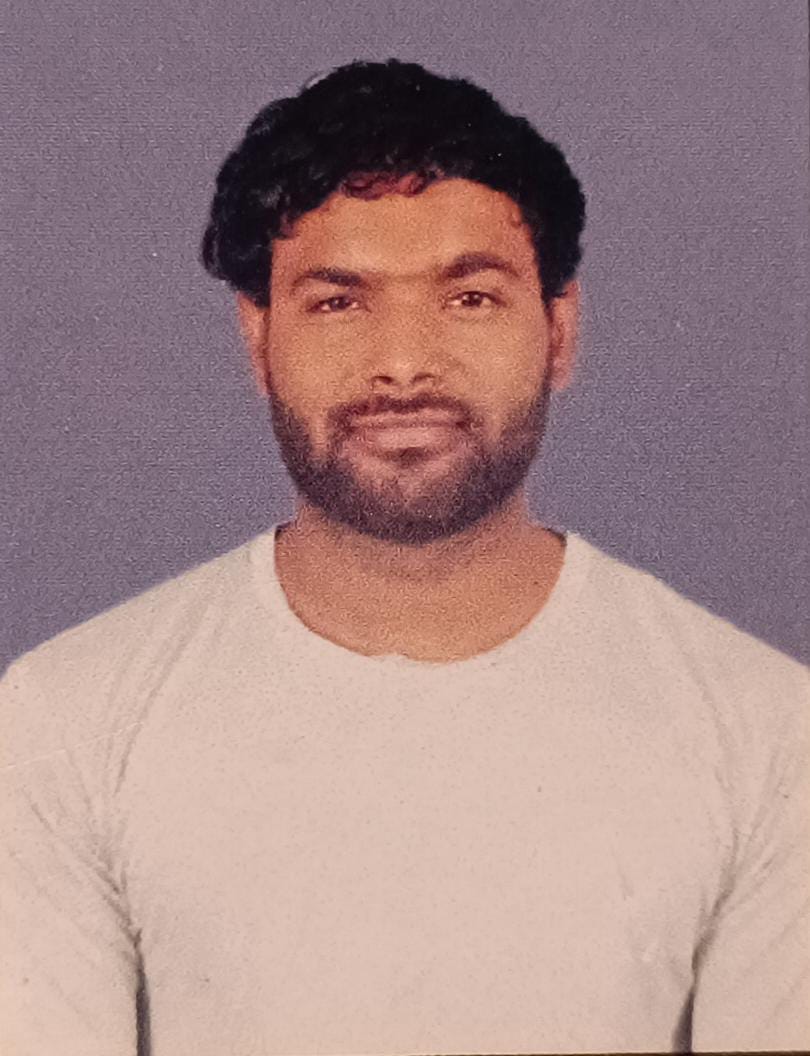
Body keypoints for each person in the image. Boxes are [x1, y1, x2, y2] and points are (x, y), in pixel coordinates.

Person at [1, 59, 807, 1056]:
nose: (404, 364)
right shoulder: (67, 721)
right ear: (258, 343)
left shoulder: (767, 733)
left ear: (560, 333)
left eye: (469, 298)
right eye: (339, 303)